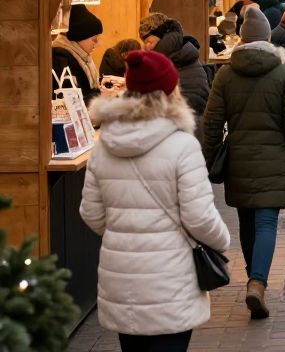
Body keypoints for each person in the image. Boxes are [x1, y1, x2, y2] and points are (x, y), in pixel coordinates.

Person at [82, 50, 230, 352]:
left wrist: (123, 233)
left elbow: (91, 212)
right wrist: (222, 241)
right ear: (170, 91)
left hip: (121, 277)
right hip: (171, 279)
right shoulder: (182, 146)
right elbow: (200, 217)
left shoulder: (104, 145)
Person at [202, 5, 285, 321]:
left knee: (247, 221)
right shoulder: (284, 74)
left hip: (239, 159)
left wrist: (211, 158)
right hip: (273, 158)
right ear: (268, 39)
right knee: (266, 223)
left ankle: (252, 277)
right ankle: (257, 282)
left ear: (243, 39)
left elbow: (212, 121)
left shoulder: (226, 75)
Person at [149, 19, 211, 131]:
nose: (147, 47)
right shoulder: (182, 59)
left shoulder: (176, 65)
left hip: (188, 128)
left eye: (151, 42)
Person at [52, 4, 104, 104]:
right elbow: (71, 100)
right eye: (94, 39)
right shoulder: (60, 58)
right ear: (80, 37)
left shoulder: (82, 56)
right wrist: (103, 95)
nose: (97, 43)